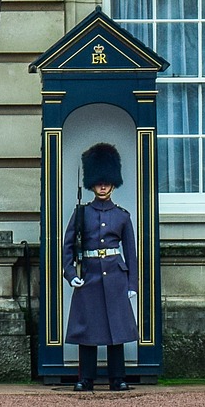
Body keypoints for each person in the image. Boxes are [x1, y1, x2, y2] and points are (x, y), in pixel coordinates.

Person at [62, 142, 139, 392]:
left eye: (106, 181)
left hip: (115, 276)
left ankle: (118, 377)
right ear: (92, 184)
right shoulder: (81, 213)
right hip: (90, 275)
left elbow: (131, 253)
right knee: (89, 330)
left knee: (116, 329)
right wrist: (71, 274)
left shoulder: (122, 216)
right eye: (98, 182)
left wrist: (132, 284)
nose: (103, 186)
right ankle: (86, 378)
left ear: (113, 183)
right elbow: (68, 247)